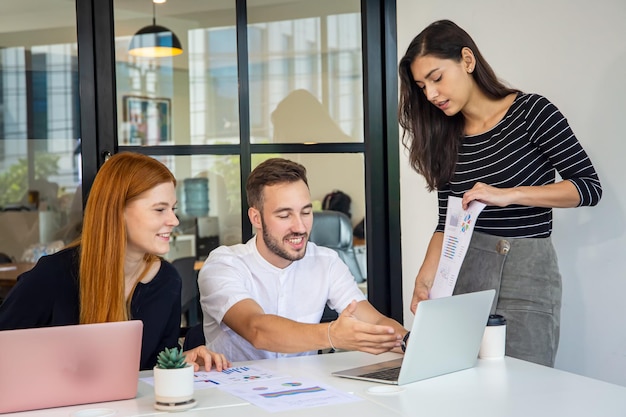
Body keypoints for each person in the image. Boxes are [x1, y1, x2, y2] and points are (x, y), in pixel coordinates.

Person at [398, 20, 602, 367]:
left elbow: (587, 188)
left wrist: (510, 194)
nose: (430, 94)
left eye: (436, 78)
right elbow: (446, 223)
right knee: (462, 386)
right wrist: (424, 280)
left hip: (528, 274)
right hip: (466, 273)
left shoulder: (532, 114)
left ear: (467, 60)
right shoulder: (445, 136)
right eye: (421, 86)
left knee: (525, 386)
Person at [0, 152, 230, 372]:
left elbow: (153, 367)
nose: (174, 220)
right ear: (117, 211)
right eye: (160, 209)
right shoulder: (54, 275)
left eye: (173, 209)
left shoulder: (166, 281)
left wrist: (180, 361)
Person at [197, 158, 407, 361]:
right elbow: (257, 330)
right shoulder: (224, 264)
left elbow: (376, 323)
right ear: (256, 218)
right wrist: (331, 335)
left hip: (305, 388)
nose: (299, 227)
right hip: (234, 391)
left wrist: (413, 344)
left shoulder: (326, 261)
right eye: (284, 216)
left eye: (306, 213)